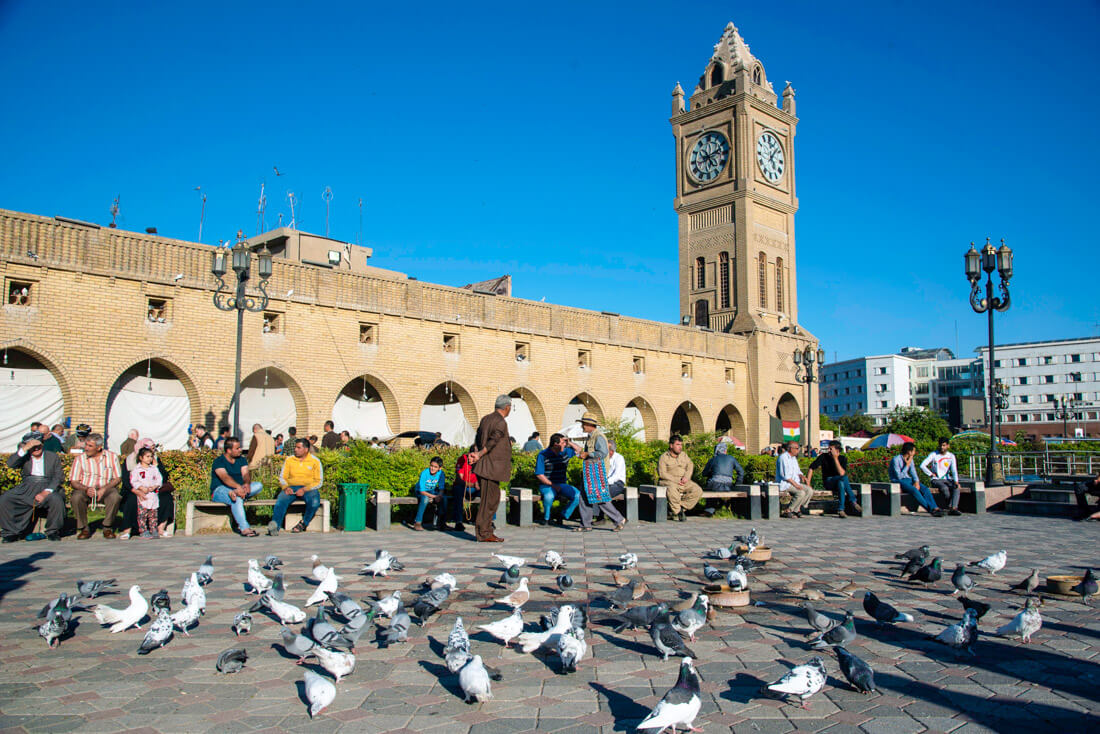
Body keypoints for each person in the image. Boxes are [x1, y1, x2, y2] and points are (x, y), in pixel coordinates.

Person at [1, 432, 65, 542]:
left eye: (38, 446)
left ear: (42, 445)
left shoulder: (52, 456)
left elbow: (58, 477)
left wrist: (45, 492)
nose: (36, 449)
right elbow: (10, 464)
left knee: (56, 500)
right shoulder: (25, 457)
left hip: (47, 486)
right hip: (27, 486)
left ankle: (53, 531)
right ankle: (10, 532)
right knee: (5, 498)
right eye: (33, 447)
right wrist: (25, 448)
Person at [469, 395, 512, 543]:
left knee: (489, 500)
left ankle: (485, 531)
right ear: (507, 407)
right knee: (490, 501)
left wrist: (475, 453)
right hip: (491, 467)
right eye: (510, 407)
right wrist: (479, 454)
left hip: (486, 466)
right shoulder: (500, 422)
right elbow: (493, 441)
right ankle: (484, 533)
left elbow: (478, 438)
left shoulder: (486, 419)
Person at [573, 413, 626, 532]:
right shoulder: (590, 436)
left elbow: (602, 453)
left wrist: (588, 454)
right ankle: (585, 524)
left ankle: (619, 519)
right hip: (590, 471)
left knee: (599, 497)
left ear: (589, 424)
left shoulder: (599, 436)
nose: (582, 426)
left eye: (583, 424)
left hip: (597, 472)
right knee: (584, 497)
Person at [119, 437, 176, 539]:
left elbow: (163, 477)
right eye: (151, 449)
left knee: (166, 498)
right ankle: (128, 530)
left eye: (153, 449)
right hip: (134, 490)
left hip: (153, 490)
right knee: (132, 500)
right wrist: (138, 490)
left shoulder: (154, 460)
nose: (152, 453)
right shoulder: (130, 460)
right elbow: (127, 481)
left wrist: (156, 465)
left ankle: (160, 528)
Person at [69, 433, 123, 539]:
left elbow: (117, 478)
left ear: (99, 448)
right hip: (85, 487)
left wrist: (104, 488)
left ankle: (107, 527)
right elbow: (74, 481)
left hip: (106, 487)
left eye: (90, 446)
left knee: (115, 496)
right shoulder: (80, 459)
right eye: (86, 445)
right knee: (76, 497)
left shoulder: (112, 457)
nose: (86, 448)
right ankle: (84, 528)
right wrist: (86, 489)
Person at [210, 437, 264, 536]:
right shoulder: (219, 461)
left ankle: (237, 493)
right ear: (229, 450)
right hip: (221, 490)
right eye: (237, 448)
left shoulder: (241, 459)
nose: (240, 450)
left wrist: (247, 484)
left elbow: (245, 473)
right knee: (236, 498)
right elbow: (224, 477)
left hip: (239, 488)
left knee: (258, 485)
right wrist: (238, 487)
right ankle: (245, 528)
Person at [269, 438, 322, 535]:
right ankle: (275, 526)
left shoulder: (315, 461)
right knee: (281, 501)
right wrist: (285, 487)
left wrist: (305, 489)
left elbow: (318, 481)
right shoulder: (289, 460)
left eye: (298, 447)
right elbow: (282, 477)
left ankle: (303, 523)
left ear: (306, 449)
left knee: (314, 502)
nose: (295, 449)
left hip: (308, 489)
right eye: (295, 447)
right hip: (291, 487)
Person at [534, 433, 581, 526]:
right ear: (556, 444)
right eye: (563, 442)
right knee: (549, 496)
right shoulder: (543, 454)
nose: (565, 444)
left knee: (578, 496)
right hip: (547, 484)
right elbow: (539, 474)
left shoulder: (565, 452)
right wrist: (552, 485)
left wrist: (569, 442)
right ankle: (546, 519)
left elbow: (579, 450)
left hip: (562, 483)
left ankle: (563, 515)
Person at [807, 440, 861, 517]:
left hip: (839, 482)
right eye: (828, 448)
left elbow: (841, 472)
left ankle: (841, 509)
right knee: (844, 478)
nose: (829, 451)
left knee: (841, 483)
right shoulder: (823, 456)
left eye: (831, 449)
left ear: (837, 450)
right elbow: (811, 468)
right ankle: (853, 501)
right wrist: (808, 483)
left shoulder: (843, 458)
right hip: (828, 481)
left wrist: (835, 458)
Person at [890, 442, 943, 516]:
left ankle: (934, 507)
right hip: (898, 481)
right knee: (914, 490)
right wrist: (907, 465)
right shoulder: (896, 459)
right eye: (914, 451)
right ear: (909, 452)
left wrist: (917, 482)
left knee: (925, 489)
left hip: (908, 479)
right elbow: (899, 476)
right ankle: (931, 510)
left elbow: (913, 471)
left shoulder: (910, 459)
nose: (915, 453)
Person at [658, 435, 703, 521]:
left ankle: (680, 507)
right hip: (668, 481)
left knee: (697, 490)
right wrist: (676, 480)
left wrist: (686, 477)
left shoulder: (684, 455)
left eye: (681, 445)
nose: (680, 447)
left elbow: (690, 465)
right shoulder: (663, 457)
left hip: (683, 481)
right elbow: (662, 473)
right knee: (672, 489)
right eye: (678, 445)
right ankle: (678, 513)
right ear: (671, 445)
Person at [439, 446, 479, 532]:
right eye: (470, 455)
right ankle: (458, 521)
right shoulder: (462, 460)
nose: (470, 458)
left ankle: (489, 520)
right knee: (458, 489)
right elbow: (459, 480)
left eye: (473, 457)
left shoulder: (482, 461)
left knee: (490, 492)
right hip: (464, 487)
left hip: (476, 489)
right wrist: (473, 484)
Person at [921, 437, 961, 516]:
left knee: (956, 487)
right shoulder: (934, 454)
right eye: (941, 445)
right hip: (936, 480)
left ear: (948, 446)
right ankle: (950, 507)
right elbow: (922, 465)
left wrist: (956, 481)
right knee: (944, 488)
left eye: (944, 445)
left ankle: (953, 508)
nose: (942, 447)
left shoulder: (951, 456)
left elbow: (954, 470)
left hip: (947, 479)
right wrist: (930, 474)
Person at [129, 447, 163, 538]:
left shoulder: (154, 469)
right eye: (147, 456)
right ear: (141, 457)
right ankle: (143, 530)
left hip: (153, 495)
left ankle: (154, 529)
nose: (150, 458)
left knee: (153, 514)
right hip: (143, 495)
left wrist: (155, 486)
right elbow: (133, 481)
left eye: (151, 456)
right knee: (142, 514)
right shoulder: (137, 469)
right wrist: (141, 487)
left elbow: (159, 479)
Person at [776, 441, 814, 518]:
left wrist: (802, 476)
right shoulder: (783, 458)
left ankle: (797, 508)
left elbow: (797, 471)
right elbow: (785, 476)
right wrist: (796, 485)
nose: (798, 450)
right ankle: (789, 510)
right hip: (786, 484)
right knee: (801, 493)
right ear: (790, 449)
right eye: (796, 448)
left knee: (809, 490)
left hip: (795, 482)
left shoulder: (793, 458)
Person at [412, 456, 447, 531]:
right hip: (421, 491)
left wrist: (439, 496)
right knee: (425, 499)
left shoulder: (441, 474)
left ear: (439, 468)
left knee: (444, 499)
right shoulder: (424, 473)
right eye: (431, 466)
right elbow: (422, 491)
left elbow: (441, 488)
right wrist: (434, 496)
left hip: (432, 491)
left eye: (435, 467)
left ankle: (442, 522)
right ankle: (417, 522)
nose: (432, 468)